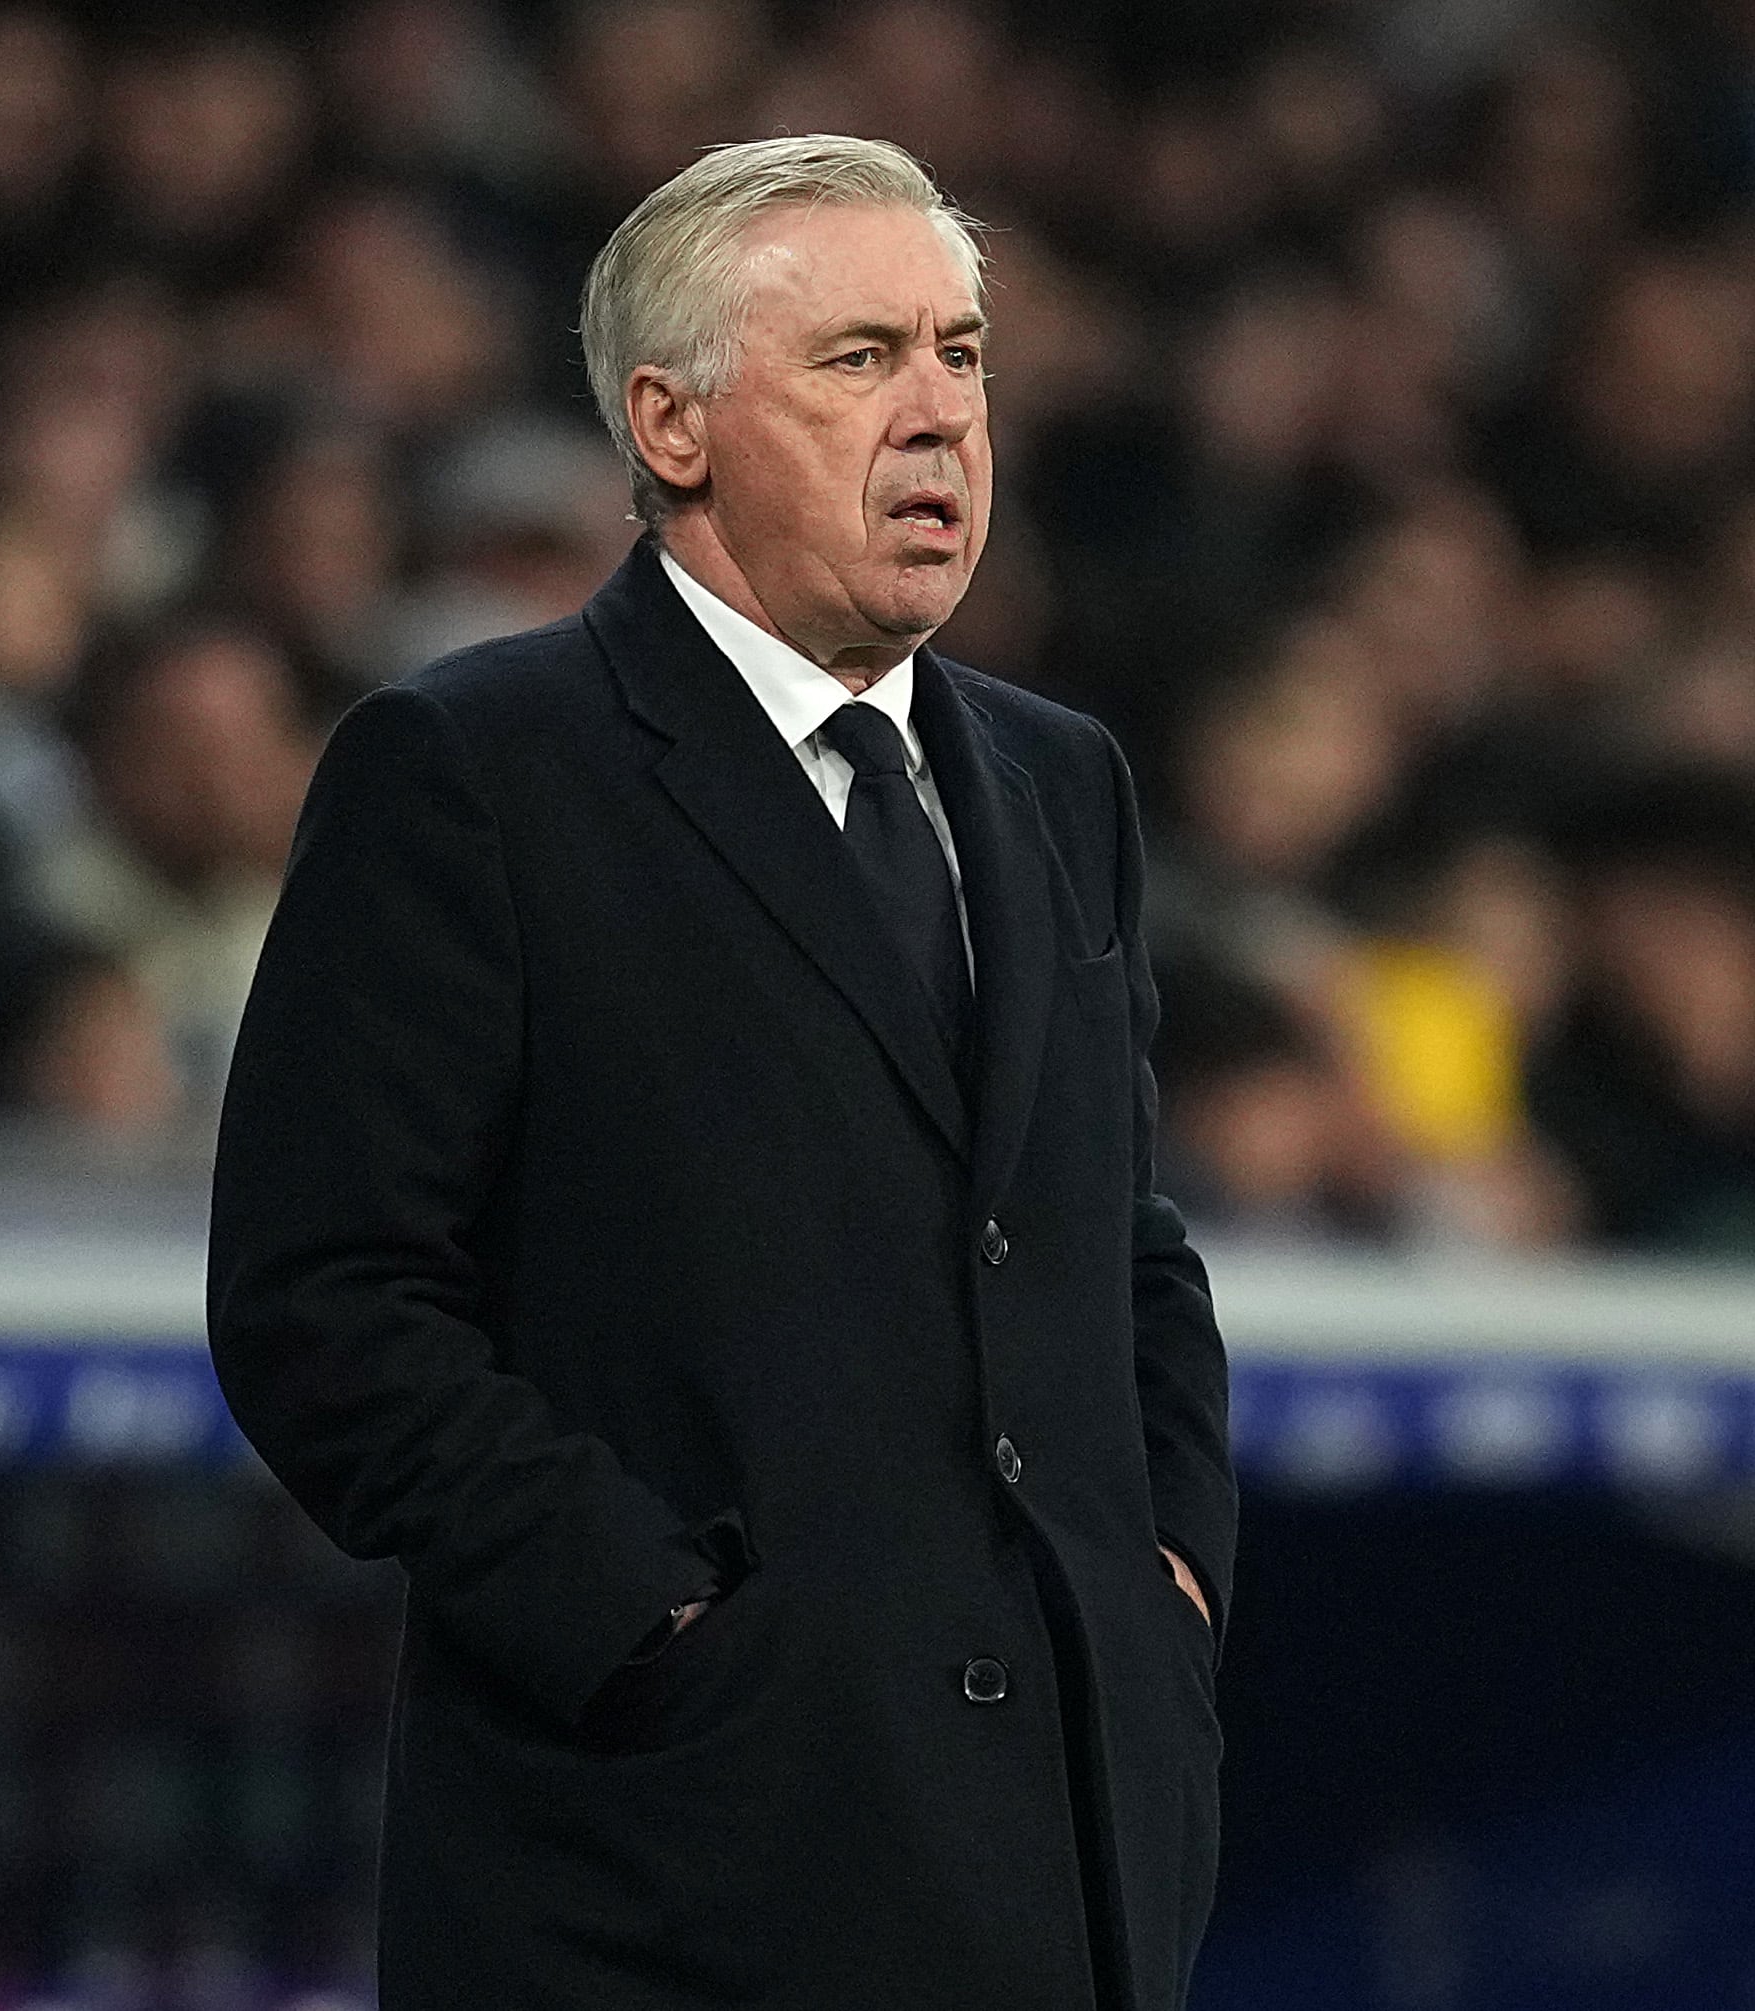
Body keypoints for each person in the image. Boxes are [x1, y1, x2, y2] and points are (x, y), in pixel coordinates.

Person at [207, 135, 1235, 2009]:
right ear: (671, 427)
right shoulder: (476, 772)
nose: (939, 416)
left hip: (1070, 1859)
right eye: (861, 361)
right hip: (670, 1879)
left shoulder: (1061, 782)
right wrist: (655, 1625)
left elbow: (1120, 1243)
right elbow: (327, 1300)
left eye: (965, 355)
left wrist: (1161, 1582)